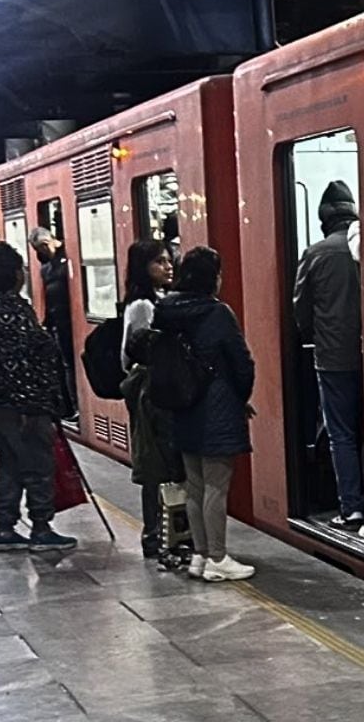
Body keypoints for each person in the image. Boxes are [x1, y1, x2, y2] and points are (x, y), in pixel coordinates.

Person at [153, 246, 256, 582]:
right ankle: (218, 557)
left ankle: (199, 555)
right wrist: (239, 397)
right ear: (212, 277)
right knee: (216, 485)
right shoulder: (217, 312)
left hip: (182, 406)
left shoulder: (165, 310)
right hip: (217, 405)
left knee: (194, 486)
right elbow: (243, 364)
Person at [0, 242, 77, 553]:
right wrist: (40, 405)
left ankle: (4, 527)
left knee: (10, 460)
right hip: (21, 403)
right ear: (14, 275)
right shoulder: (14, 310)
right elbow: (27, 360)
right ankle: (41, 527)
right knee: (36, 461)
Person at [292, 181, 364, 536]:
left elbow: (301, 310)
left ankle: (351, 509)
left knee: (342, 435)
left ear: (324, 219)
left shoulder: (316, 253)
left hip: (334, 358)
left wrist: (313, 337)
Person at [120, 240, 182, 560]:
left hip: (155, 390)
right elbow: (135, 352)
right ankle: (153, 535)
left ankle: (165, 531)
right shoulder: (143, 305)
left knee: (159, 462)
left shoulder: (156, 299)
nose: (168, 266)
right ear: (143, 267)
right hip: (150, 392)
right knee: (155, 465)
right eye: (159, 262)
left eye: (169, 261)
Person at [29, 227, 77, 421]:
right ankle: (68, 406)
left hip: (69, 321)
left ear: (45, 244)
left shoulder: (67, 258)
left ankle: (75, 405)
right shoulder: (47, 267)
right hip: (57, 323)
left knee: (69, 365)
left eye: (39, 251)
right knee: (62, 364)